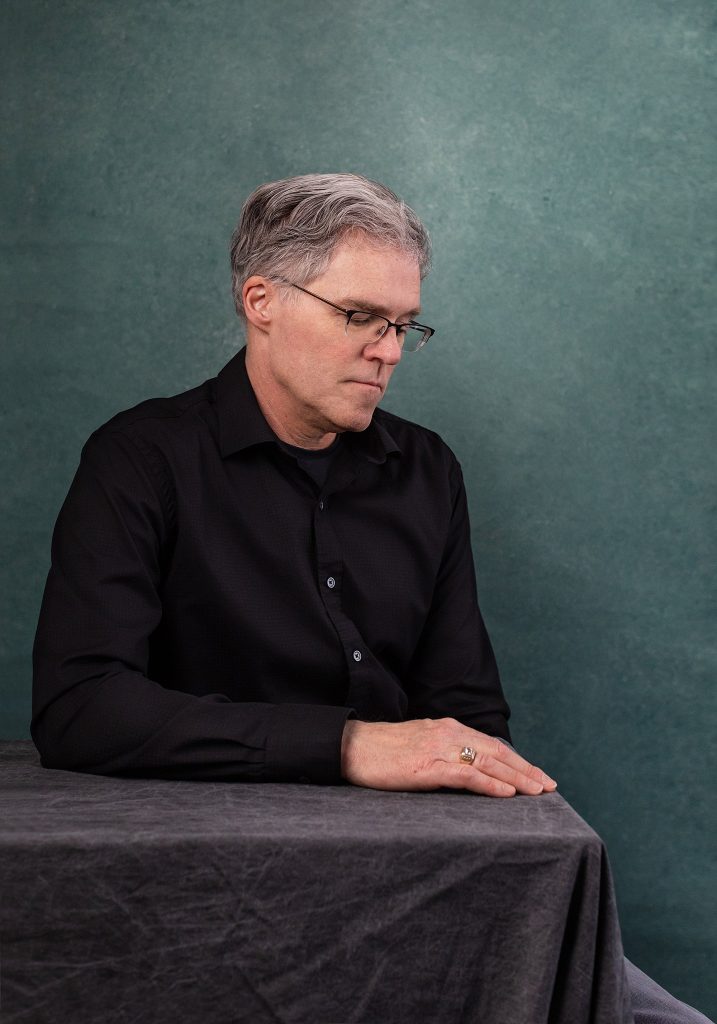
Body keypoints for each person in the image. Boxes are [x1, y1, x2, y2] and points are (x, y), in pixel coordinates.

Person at [31, 173, 712, 1023]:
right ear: (261, 300)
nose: (388, 351)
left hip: (419, 886)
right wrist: (350, 745)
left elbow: (467, 711)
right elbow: (80, 707)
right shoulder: (139, 459)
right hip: (205, 896)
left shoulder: (428, 470)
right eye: (359, 317)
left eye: (401, 326)